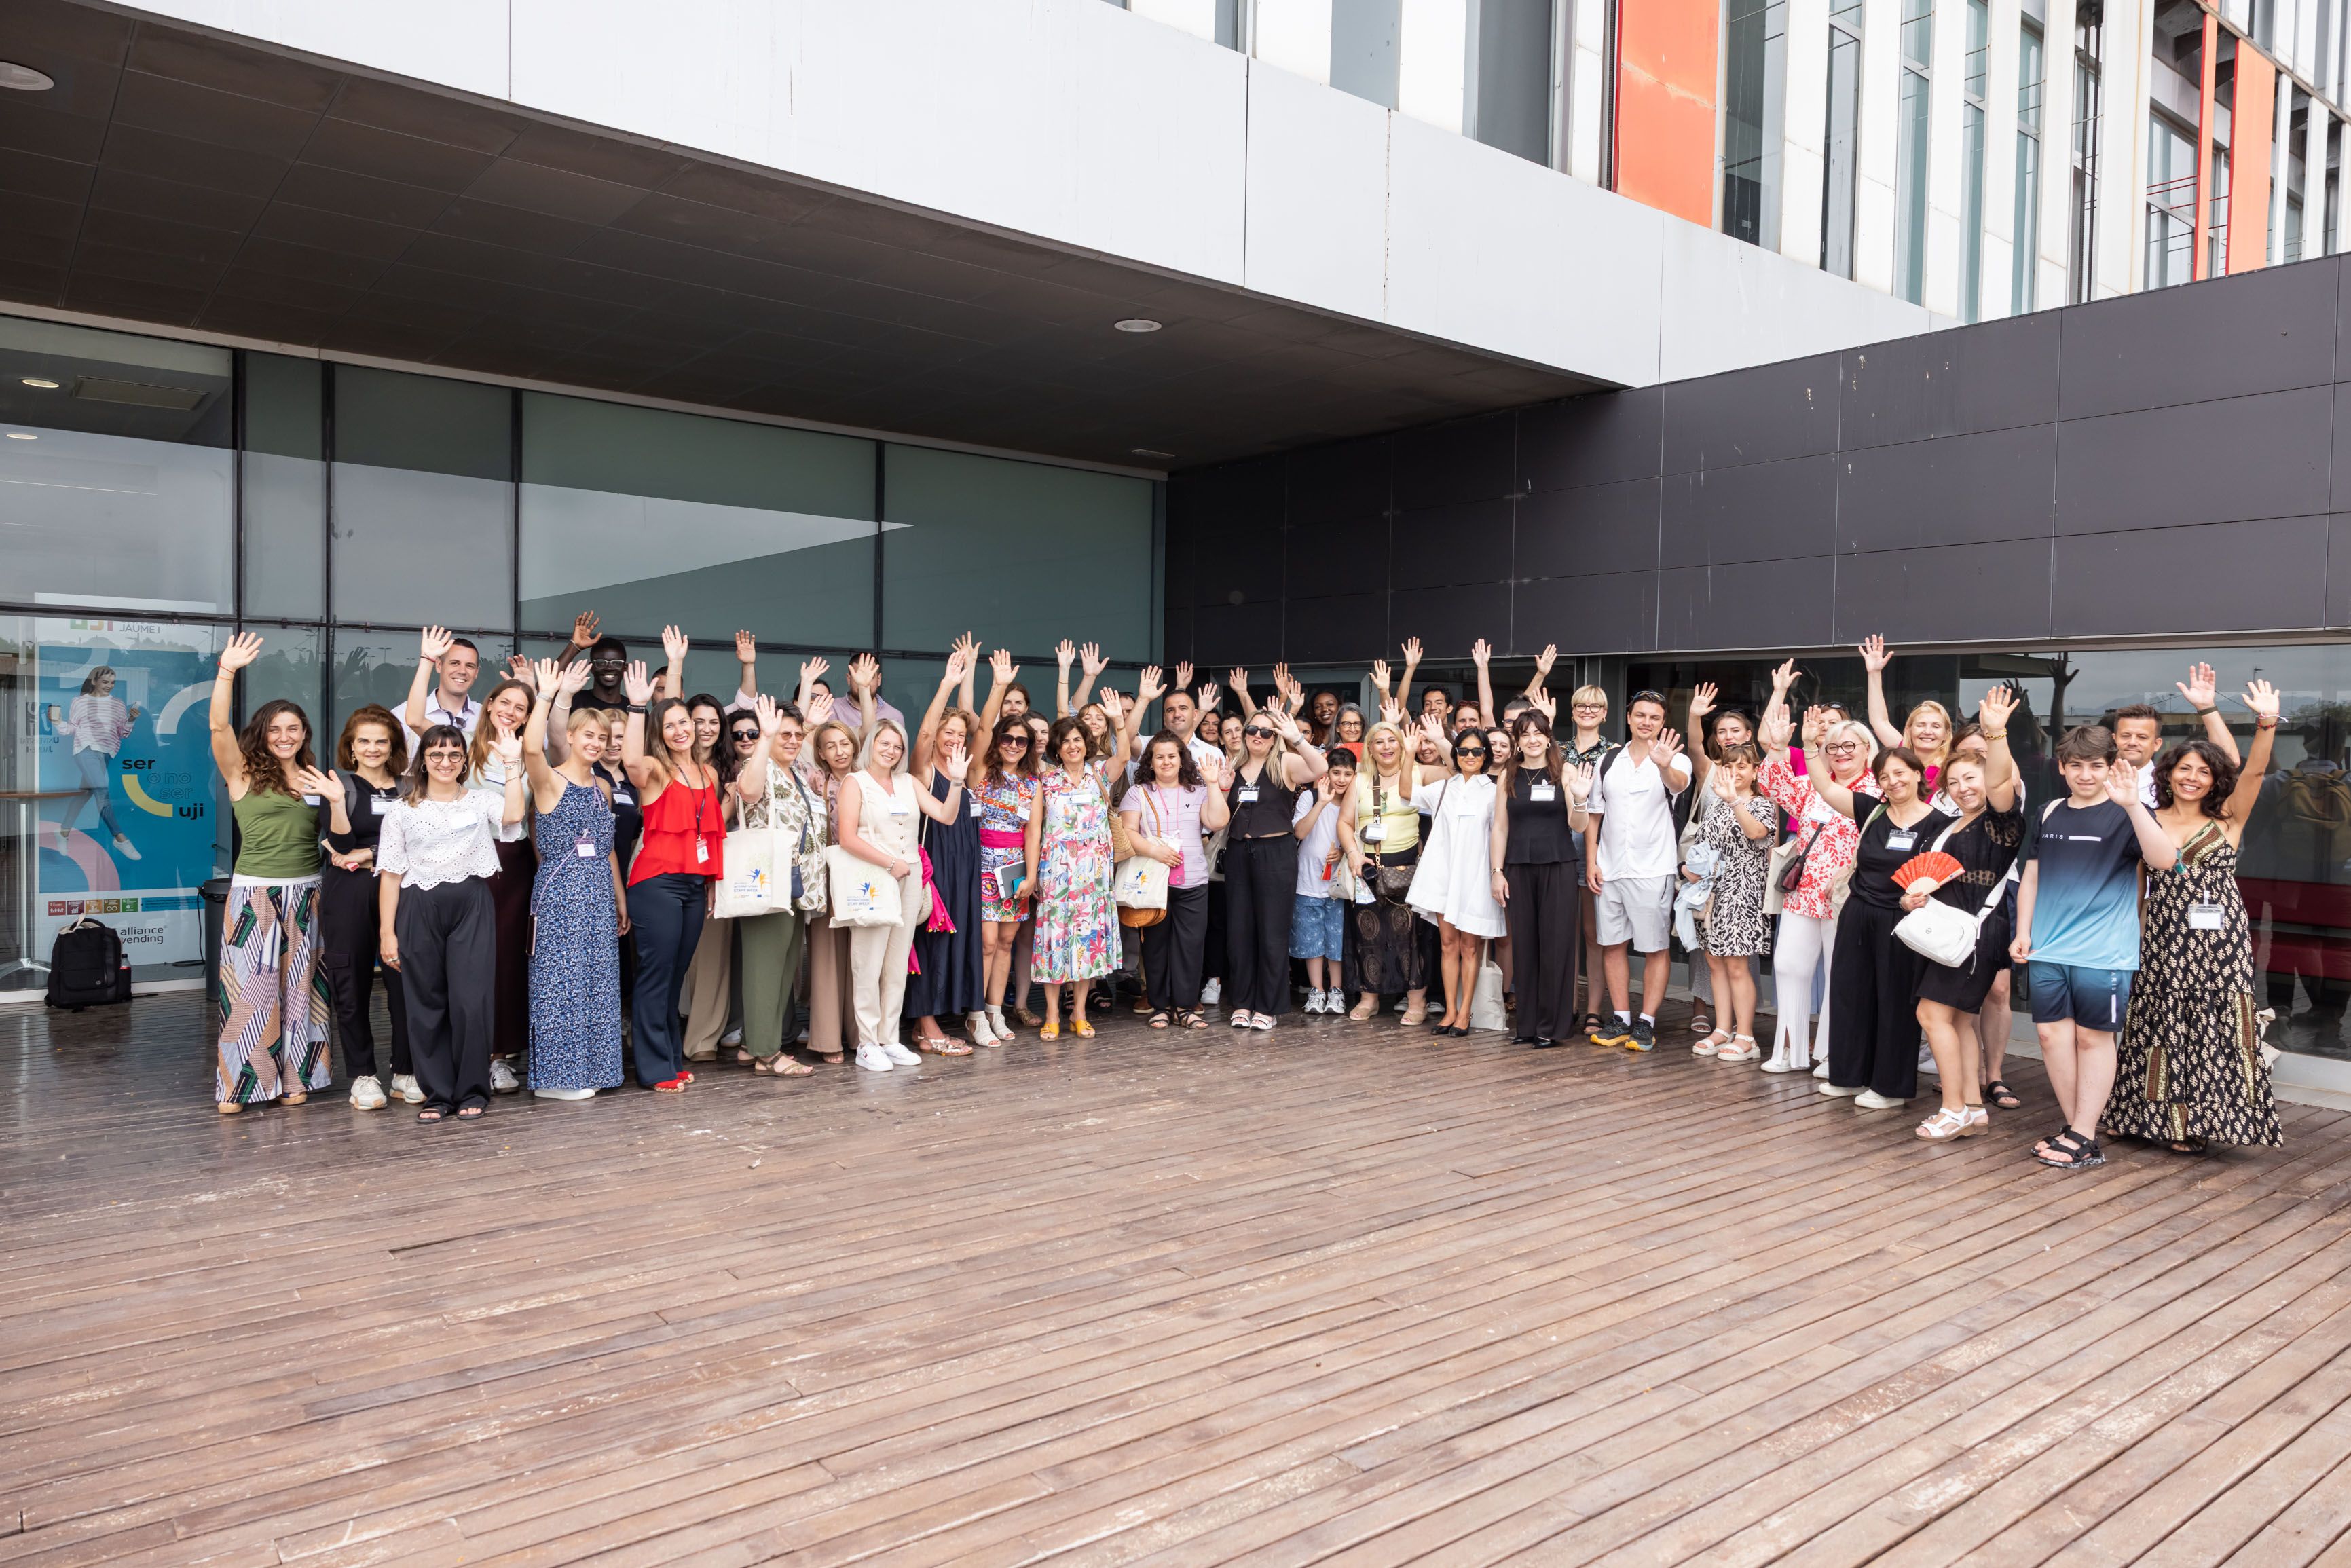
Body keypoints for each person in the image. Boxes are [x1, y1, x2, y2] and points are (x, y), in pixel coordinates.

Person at [2107, 681, 2284, 1153]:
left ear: (2214, 780)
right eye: (2184, 768)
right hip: (2163, 934)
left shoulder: (2228, 817)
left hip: (2219, 942)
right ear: (2167, 773)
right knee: (2155, 1023)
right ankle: (2137, 1115)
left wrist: (2266, 722)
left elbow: (2255, 770)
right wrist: (2134, 937)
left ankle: (2198, 1122)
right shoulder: (2147, 816)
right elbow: (2139, 887)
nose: (2192, 777)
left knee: (2211, 1027)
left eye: (2203, 772)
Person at [2010, 724, 2182, 1169]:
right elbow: (2032, 876)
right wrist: (2023, 931)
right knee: (2050, 1037)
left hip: (2103, 951)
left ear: (2111, 768)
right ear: (2062, 768)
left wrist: (2132, 806)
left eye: (2095, 766)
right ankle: (2077, 1130)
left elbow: (2164, 860)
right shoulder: (2049, 812)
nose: (2085, 775)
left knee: (2092, 1038)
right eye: (2076, 766)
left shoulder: (2129, 812)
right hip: (2048, 946)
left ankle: (2083, 1134)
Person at [207, 633, 334, 1113]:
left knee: (301, 991)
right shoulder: (241, 772)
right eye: (276, 729)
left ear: (304, 734)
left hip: (308, 894)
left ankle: (297, 1079)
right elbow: (219, 726)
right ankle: (241, 1087)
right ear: (262, 733)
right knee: (250, 992)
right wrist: (226, 671)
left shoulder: (315, 779)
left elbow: (330, 834)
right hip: (255, 896)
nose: (285, 736)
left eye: (294, 729)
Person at [376, 720, 527, 1121]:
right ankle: (438, 1094)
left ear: (464, 761)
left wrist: (512, 764)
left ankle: (473, 1089)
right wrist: (387, 933)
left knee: (472, 1002)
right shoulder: (401, 811)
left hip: (472, 904)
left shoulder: (480, 800)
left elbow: (514, 814)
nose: (446, 761)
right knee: (426, 1003)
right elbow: (390, 875)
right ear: (423, 760)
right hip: (418, 906)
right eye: (437, 754)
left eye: (454, 754)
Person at [1904, 690, 2024, 1140]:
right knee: (1956, 1020)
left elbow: (2000, 782)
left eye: (1970, 778)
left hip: (1977, 935)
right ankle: (1972, 1108)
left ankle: (1952, 1108)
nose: (1962, 787)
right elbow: (1932, 877)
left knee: (1931, 1015)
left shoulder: (2000, 820)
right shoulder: (1950, 824)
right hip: (1949, 931)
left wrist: (1995, 733)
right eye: (1953, 782)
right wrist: (1912, 898)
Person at [1809, 736, 1938, 1110]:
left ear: (1918, 774)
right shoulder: (1873, 811)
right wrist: (1811, 747)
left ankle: (1890, 1088)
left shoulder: (1939, 824)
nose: (1893, 781)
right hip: (1859, 912)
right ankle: (1848, 1076)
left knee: (1894, 1001)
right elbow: (1825, 787)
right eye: (1884, 776)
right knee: (1849, 994)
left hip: (1901, 919)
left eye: (1901, 773)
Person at [519, 660, 625, 1100]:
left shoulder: (603, 789)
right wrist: (546, 695)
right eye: (588, 735)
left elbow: (607, 848)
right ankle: (557, 1080)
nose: (596, 743)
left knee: (598, 981)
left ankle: (595, 1069)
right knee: (560, 983)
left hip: (598, 894)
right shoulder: (550, 781)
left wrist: (619, 898)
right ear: (571, 736)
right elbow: (530, 749)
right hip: (560, 895)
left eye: (603, 737)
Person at [838, 717, 970, 1068]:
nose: (891, 751)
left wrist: (957, 782)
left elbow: (945, 815)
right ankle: (867, 1043)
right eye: (884, 743)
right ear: (871, 744)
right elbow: (847, 838)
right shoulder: (855, 782)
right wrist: (888, 862)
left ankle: (890, 1038)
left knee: (897, 964)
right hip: (873, 877)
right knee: (868, 963)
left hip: (909, 879)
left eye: (897, 746)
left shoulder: (908, 782)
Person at [620, 660, 724, 1093]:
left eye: (685, 722)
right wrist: (637, 706)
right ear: (659, 733)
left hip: (694, 885)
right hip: (656, 883)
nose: (681, 730)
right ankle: (653, 1068)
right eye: (670, 725)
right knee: (656, 975)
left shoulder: (709, 773)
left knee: (675, 976)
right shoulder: (655, 770)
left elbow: (710, 834)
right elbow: (629, 759)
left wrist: (711, 882)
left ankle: (670, 1059)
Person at [1756, 705, 1876, 1075]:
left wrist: (1851, 869)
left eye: (1849, 746)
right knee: (1788, 965)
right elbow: (1772, 785)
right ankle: (1788, 1051)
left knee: (1841, 974)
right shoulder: (1812, 785)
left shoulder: (1878, 789)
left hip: (1848, 895)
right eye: (1833, 747)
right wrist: (1779, 747)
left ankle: (1832, 1054)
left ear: (1867, 749)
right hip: (1804, 890)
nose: (1841, 753)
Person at [1025, 682, 1148, 1038]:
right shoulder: (1045, 781)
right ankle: (1052, 1014)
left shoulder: (1099, 775)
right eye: (1065, 741)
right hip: (1056, 876)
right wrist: (1033, 875)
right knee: (1054, 944)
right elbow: (1034, 831)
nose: (1072, 745)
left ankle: (1079, 1013)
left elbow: (1123, 755)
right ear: (1057, 748)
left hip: (1093, 878)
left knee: (1086, 946)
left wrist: (1118, 720)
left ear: (1087, 743)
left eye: (1077, 739)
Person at [726, 694, 827, 1074]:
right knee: (765, 968)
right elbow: (749, 793)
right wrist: (766, 738)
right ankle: (767, 1053)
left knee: (783, 970)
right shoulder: (760, 765)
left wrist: (805, 728)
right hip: (768, 882)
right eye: (786, 734)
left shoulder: (795, 772)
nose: (793, 740)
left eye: (798, 735)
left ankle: (752, 1044)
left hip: (797, 887)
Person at [317, 705, 412, 1109]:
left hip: (402, 893)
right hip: (349, 894)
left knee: (405, 983)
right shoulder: (338, 785)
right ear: (351, 747)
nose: (373, 748)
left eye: (381, 741)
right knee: (351, 984)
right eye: (364, 741)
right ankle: (364, 1076)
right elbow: (340, 846)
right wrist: (338, 805)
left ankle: (405, 1071)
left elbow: (420, 842)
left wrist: (370, 852)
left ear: (393, 747)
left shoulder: (411, 788)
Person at [1585, 690, 1690, 1051]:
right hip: (1610, 868)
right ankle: (1621, 1018)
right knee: (1612, 944)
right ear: (1628, 718)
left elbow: (1678, 785)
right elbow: (1595, 814)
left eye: (1655, 717)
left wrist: (1664, 765)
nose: (1647, 722)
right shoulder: (1608, 760)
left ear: (1663, 722)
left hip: (1652, 869)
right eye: (1641, 715)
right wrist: (1591, 861)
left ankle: (1646, 1022)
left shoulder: (1675, 758)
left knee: (1654, 947)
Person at [1219, 703, 1329, 1029]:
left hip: (1276, 853)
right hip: (1239, 851)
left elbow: (1320, 767)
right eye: (1252, 729)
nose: (1258, 735)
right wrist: (1220, 786)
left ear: (1275, 736)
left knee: (1272, 931)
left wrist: (1297, 738)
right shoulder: (1233, 765)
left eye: (1266, 732)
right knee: (1239, 930)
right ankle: (1242, 1002)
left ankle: (1268, 1007)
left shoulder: (1285, 762)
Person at [1490, 705, 1593, 1048]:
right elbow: (1500, 828)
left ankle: (1551, 1027)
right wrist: (1497, 872)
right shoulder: (1508, 774)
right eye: (1525, 734)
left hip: (1558, 865)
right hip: (1518, 867)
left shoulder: (1564, 771)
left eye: (1538, 733)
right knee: (1524, 945)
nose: (1532, 739)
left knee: (1556, 945)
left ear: (1548, 737)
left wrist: (1580, 799)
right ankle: (1527, 1025)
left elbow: (1578, 825)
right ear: (1517, 741)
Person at [906, 646, 987, 1051]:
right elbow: (921, 736)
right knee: (931, 940)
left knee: (959, 939)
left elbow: (984, 732)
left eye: (960, 734)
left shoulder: (964, 772)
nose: (955, 739)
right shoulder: (923, 769)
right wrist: (947, 685)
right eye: (948, 732)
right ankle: (925, 1025)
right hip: (936, 864)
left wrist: (974, 674)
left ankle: (940, 1017)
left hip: (966, 866)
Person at [1123, 730, 1229, 1029]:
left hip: (1194, 882)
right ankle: (1160, 1006)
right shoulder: (1138, 793)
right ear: (1150, 761)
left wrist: (1212, 784)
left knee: (1191, 946)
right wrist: (1155, 851)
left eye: (1172, 756)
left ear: (1182, 760)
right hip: (1153, 884)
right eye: (1160, 757)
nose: (1166, 762)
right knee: (1155, 947)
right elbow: (1128, 832)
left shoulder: (1199, 791)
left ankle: (1185, 1007)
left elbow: (1218, 821)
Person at [1409, 717, 1506, 1036]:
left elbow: (1500, 833)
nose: (1470, 756)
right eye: (1463, 751)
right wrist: (1409, 753)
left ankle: (1466, 1012)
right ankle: (1450, 1011)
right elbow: (1406, 792)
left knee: (1470, 947)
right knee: (1448, 944)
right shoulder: (1444, 788)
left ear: (1486, 755)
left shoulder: (1494, 791)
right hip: (1445, 876)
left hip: (1476, 876)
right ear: (1455, 754)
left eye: (1477, 751)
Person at [1344, 716, 1439, 1024]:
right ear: (1370, 749)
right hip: (1368, 868)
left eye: (1392, 741)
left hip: (1408, 866)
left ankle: (1417, 1002)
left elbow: (1456, 770)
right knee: (1367, 934)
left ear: (1401, 744)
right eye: (1379, 742)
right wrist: (1353, 854)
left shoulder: (1420, 772)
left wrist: (1427, 745)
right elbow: (1344, 823)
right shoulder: (1360, 780)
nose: (1386, 747)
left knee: (1412, 937)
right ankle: (1369, 999)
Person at [1688, 741, 1775, 1064]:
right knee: (1715, 961)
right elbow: (1702, 847)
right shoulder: (1714, 806)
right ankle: (1722, 1029)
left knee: (1738, 965)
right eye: (1729, 766)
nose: (1735, 772)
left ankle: (1746, 1036)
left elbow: (1756, 833)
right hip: (1712, 893)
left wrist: (1734, 801)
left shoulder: (1762, 804)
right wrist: (1688, 868)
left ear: (1755, 772)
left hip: (1744, 891)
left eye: (1743, 766)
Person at [972, 712, 1042, 1043]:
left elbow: (1033, 833)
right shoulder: (982, 772)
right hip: (983, 863)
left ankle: (994, 1011)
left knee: (1006, 943)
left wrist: (1031, 875)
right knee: (987, 942)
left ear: (1028, 746)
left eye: (1021, 740)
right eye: (1007, 738)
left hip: (1015, 868)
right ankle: (975, 1016)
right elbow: (981, 727)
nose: (1013, 745)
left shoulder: (1032, 784)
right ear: (997, 740)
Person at [803, 714, 864, 1064]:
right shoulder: (815, 781)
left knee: (860, 955)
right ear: (821, 753)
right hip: (825, 874)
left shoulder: (867, 779)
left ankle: (860, 1035)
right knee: (826, 957)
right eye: (831, 746)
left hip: (863, 875)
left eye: (844, 744)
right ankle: (828, 1040)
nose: (839, 751)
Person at [1561, 684, 1618, 1034]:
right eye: (1581, 705)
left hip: (1596, 847)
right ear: (1572, 712)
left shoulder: (1615, 753)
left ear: (1605, 713)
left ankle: (1594, 1009)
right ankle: (1567, 1006)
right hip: (1559, 846)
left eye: (1595, 706)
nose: (1587, 710)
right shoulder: (1556, 751)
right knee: (1564, 933)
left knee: (1593, 933)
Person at [2110, 662, 2242, 806]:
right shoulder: (2095, 777)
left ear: (2157, 744)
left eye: (2142, 737)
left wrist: (2206, 707)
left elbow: (2229, 761)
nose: (2133, 742)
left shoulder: (2169, 782)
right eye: (2126, 736)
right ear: (2114, 739)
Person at [1290, 749, 1359, 1014]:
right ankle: (1317, 990)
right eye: (1336, 773)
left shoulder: (1355, 802)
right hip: (1307, 881)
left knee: (1336, 939)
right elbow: (1300, 832)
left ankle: (1337, 991)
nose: (1341, 779)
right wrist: (1321, 802)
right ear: (1326, 773)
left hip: (1338, 886)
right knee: (1311, 940)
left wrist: (1342, 852)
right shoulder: (1309, 796)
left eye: (1348, 774)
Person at [51, 664, 140, 860]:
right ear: (94, 681)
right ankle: (120, 838)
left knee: (84, 795)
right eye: (105, 682)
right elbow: (72, 728)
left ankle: (63, 832)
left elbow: (123, 733)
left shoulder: (117, 704)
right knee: (102, 792)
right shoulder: (79, 702)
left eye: (113, 683)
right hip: (85, 750)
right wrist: (57, 722)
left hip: (107, 753)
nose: (110, 686)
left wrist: (131, 719)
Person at [1859, 635, 1951, 789]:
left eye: (1936, 726)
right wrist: (1874, 673)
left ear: (1946, 734)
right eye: (1921, 725)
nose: (1927, 731)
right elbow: (1879, 720)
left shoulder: (1952, 766)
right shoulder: (1903, 754)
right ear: (1908, 729)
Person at [401, 626, 483, 747]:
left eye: (470, 666)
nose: (462, 671)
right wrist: (427, 659)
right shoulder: (403, 714)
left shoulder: (486, 716)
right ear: (439, 665)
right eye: (455, 663)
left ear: (476, 672)